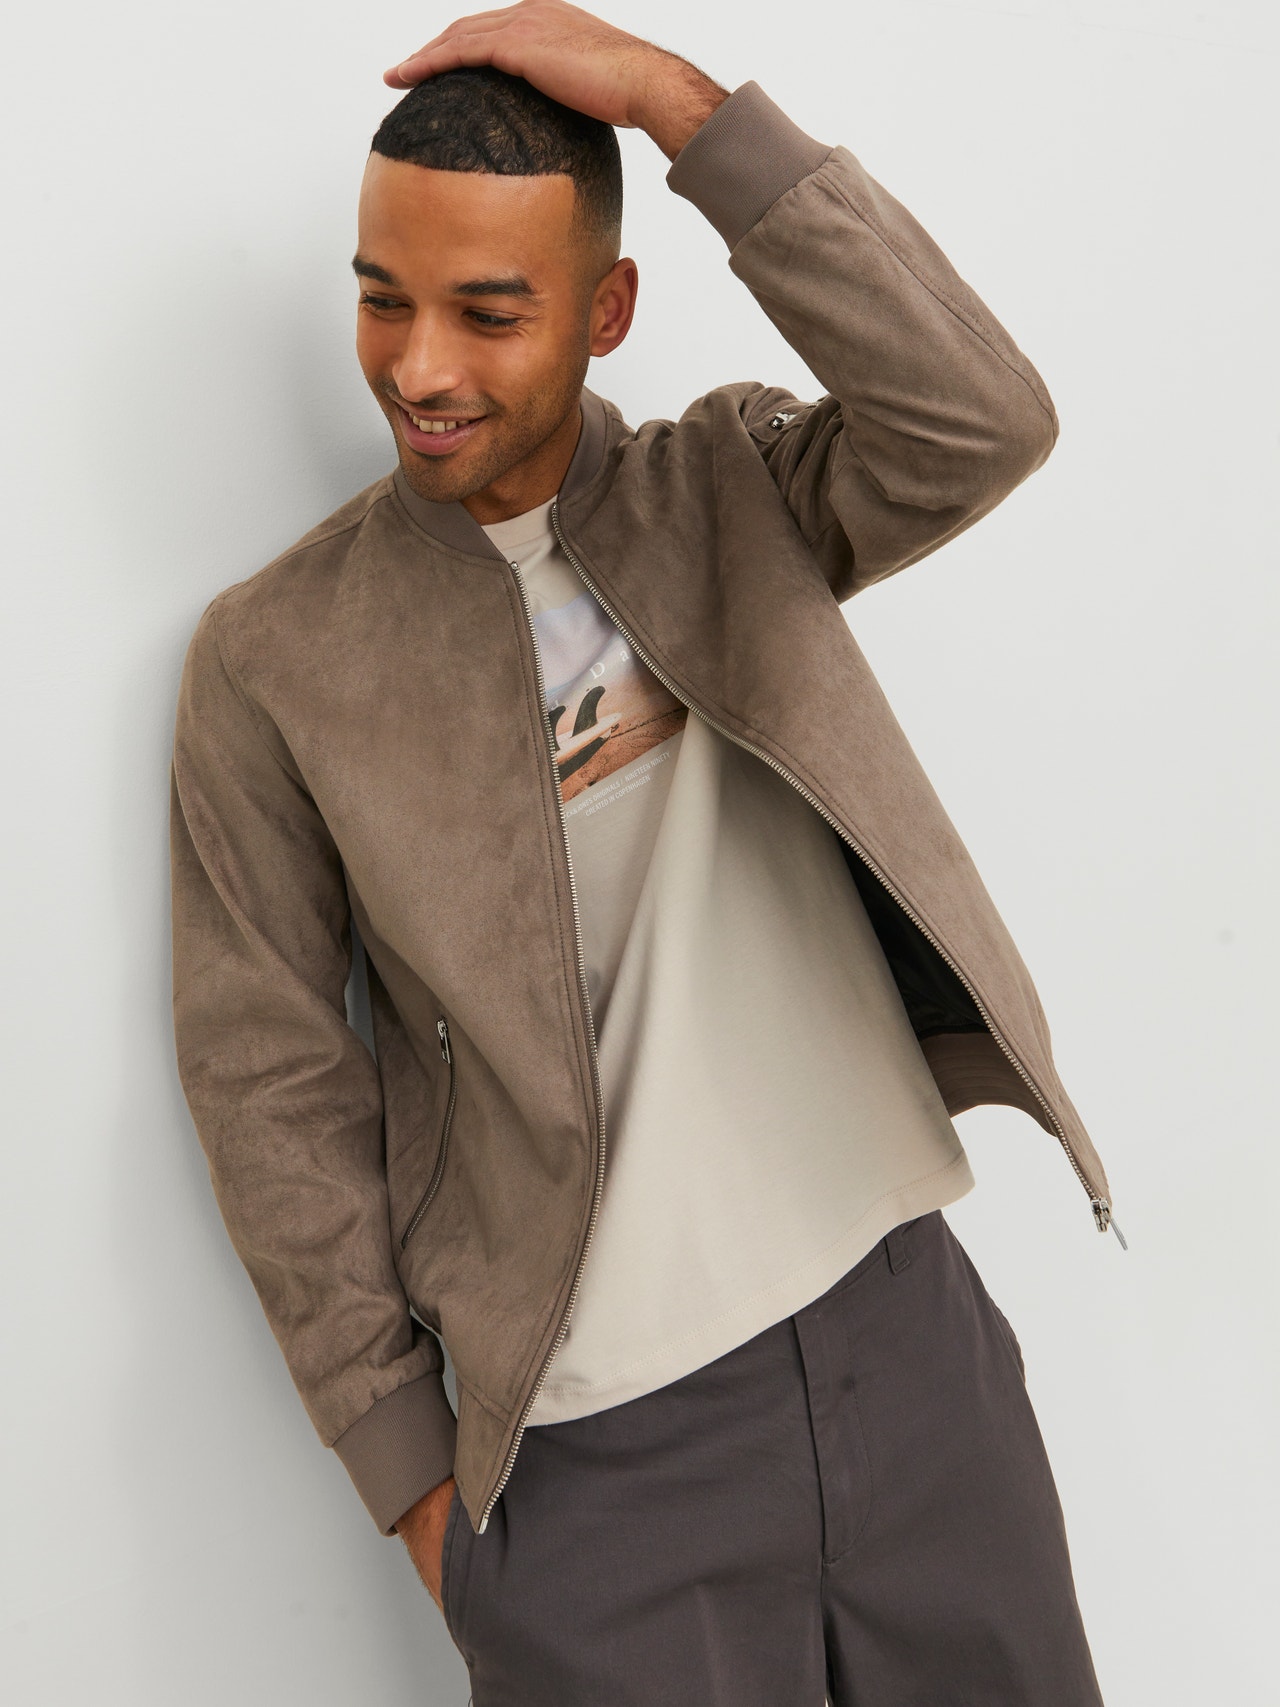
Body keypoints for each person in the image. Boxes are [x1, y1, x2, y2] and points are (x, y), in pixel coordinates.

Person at [169, 2, 1118, 1700]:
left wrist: (683, 110)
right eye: (382, 298)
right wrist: (418, 1491)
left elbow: (982, 422)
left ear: (607, 311)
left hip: (910, 1354)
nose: (420, 368)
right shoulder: (277, 658)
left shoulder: (731, 489)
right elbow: (268, 1078)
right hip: (598, 1462)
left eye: (489, 311)